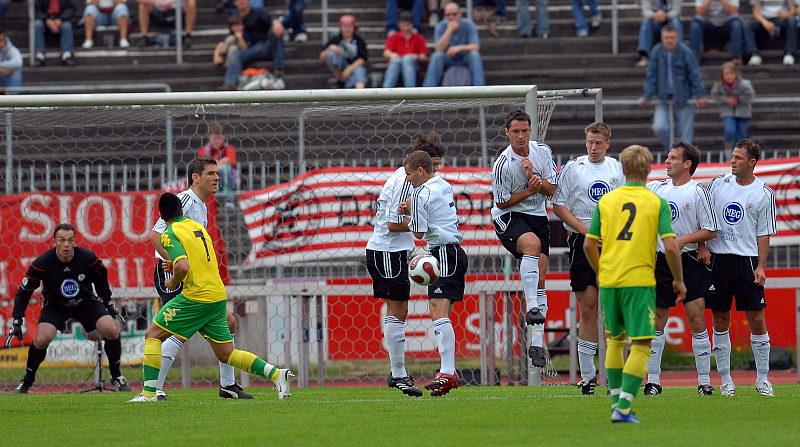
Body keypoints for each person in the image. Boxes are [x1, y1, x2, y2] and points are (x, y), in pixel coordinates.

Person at [130, 193, 294, 402]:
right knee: (226, 353)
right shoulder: (198, 228)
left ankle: (150, 393)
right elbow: (196, 261)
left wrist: (173, 280)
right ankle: (277, 374)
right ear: (181, 210)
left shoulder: (170, 233)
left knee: (152, 334)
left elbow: (183, 265)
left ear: (161, 215)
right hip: (216, 296)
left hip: (195, 296)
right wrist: (178, 266)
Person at [583, 145, 686, 424]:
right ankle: (624, 407)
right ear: (648, 169)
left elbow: (588, 243)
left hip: (610, 280)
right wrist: (678, 279)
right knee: (641, 343)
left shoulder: (606, 202)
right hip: (638, 280)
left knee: (614, 340)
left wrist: (601, 270)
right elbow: (672, 247)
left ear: (623, 169)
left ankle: (617, 402)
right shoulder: (656, 203)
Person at [149, 157, 251, 400]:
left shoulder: (202, 206)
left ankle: (228, 385)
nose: (217, 178)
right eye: (211, 173)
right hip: (175, 273)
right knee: (175, 331)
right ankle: (154, 389)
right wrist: (174, 262)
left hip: (194, 276)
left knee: (228, 323)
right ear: (195, 177)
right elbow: (156, 235)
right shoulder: (184, 200)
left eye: (217, 173)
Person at [366, 132, 445, 398]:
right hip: (386, 250)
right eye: (434, 166)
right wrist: (424, 226)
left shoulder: (417, 181)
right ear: (422, 164)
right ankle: (398, 374)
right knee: (398, 307)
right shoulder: (405, 180)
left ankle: (398, 372)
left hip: (397, 250)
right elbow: (392, 224)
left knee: (400, 308)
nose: (437, 171)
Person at [8, 223, 131, 394]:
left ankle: (117, 376)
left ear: (75, 242)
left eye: (70, 240)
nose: (66, 244)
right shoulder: (42, 263)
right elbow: (24, 292)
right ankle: (27, 382)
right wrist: (17, 318)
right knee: (42, 338)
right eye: (62, 240)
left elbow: (101, 278)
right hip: (55, 305)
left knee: (111, 329)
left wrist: (108, 302)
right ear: (54, 242)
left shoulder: (87, 258)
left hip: (85, 302)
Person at [551, 122, 623, 395]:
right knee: (588, 308)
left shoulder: (617, 168)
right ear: (585, 141)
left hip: (614, 242)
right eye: (589, 142)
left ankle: (614, 375)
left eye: (598, 143)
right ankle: (588, 377)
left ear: (608, 143)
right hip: (583, 242)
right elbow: (559, 205)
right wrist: (587, 231)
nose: (593, 147)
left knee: (613, 309)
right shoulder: (573, 168)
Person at [644, 142, 718, 396]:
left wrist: (689, 240)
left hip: (689, 261)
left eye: (673, 158)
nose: (667, 161)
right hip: (661, 261)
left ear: (687, 164)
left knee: (697, 319)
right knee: (657, 321)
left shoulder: (698, 191)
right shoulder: (656, 189)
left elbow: (711, 228)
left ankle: (704, 381)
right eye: (667, 157)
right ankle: (652, 381)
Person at [706, 139, 776, 397]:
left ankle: (763, 379)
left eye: (737, 158)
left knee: (757, 319)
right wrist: (703, 247)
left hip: (747, 261)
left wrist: (762, 266)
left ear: (752, 162)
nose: (732, 161)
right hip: (719, 260)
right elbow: (706, 218)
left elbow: (764, 233)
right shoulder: (718, 185)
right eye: (732, 156)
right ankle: (725, 380)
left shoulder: (763, 193)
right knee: (720, 318)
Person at [490, 110, 557, 368]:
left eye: (524, 131)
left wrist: (539, 185)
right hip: (508, 216)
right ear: (507, 133)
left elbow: (553, 190)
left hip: (537, 216)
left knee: (540, 276)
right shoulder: (503, 164)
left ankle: (536, 344)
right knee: (532, 245)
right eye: (515, 131)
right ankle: (531, 306)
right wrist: (529, 189)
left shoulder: (543, 152)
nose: (520, 136)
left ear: (530, 131)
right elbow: (502, 201)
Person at [405, 150, 468, 397]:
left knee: (438, 312)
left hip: (443, 253)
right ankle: (446, 371)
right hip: (454, 252)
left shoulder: (420, 192)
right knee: (442, 315)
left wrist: (408, 213)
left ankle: (448, 373)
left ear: (421, 171)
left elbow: (419, 233)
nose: (408, 179)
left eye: (410, 174)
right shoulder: (443, 184)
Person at [639, 25, 708, 151]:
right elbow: (651, 75)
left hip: (684, 98)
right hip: (663, 98)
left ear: (677, 38)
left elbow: (694, 74)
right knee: (658, 127)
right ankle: (672, 151)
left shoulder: (685, 52)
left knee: (685, 134)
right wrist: (647, 95)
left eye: (672, 38)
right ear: (662, 38)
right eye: (666, 38)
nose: (669, 40)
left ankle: (683, 158)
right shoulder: (656, 52)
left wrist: (700, 94)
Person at [218, 0, 285, 91]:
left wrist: (276, 22)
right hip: (248, 49)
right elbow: (229, 38)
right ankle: (230, 83)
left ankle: (279, 70)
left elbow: (271, 19)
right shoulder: (235, 18)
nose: (241, 1)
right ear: (235, 3)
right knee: (235, 53)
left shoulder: (258, 12)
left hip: (265, 46)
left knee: (275, 33)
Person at [422, 2, 485, 87]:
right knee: (437, 56)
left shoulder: (469, 24)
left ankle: (479, 89)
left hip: (465, 58)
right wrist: (449, 30)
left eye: (454, 14)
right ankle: (427, 89)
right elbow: (438, 49)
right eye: (448, 15)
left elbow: (476, 47)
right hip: (448, 59)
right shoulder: (440, 26)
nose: (451, 17)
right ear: (444, 15)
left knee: (475, 55)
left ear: (460, 14)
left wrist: (459, 48)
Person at [709, 62, 755, 150]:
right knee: (729, 130)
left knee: (741, 136)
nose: (729, 76)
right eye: (726, 74)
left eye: (731, 73)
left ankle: (739, 154)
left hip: (743, 112)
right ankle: (728, 151)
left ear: (736, 74)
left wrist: (738, 99)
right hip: (727, 112)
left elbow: (750, 95)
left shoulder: (744, 84)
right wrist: (726, 99)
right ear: (722, 75)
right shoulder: (719, 84)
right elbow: (714, 95)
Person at [382, 11, 428, 88]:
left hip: (413, 65)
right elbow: (386, 53)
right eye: (404, 25)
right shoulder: (393, 37)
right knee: (396, 60)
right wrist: (393, 54)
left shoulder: (419, 38)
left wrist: (415, 56)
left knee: (407, 59)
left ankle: (410, 90)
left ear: (412, 25)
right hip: (397, 64)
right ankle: (386, 90)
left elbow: (423, 57)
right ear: (399, 25)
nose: (406, 28)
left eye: (408, 25)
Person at [745, 0, 797, 66]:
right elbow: (756, 12)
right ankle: (754, 54)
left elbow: (793, 10)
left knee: (792, 21)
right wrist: (764, 21)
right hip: (764, 18)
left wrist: (786, 14)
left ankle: (789, 53)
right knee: (748, 25)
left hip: (781, 18)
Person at [197, 122, 239, 200]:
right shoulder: (203, 151)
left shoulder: (229, 148)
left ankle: (229, 200)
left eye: (219, 138)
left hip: (227, 180)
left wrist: (215, 164)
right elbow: (201, 164)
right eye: (215, 138)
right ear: (209, 137)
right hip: (210, 179)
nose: (217, 141)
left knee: (226, 169)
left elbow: (231, 161)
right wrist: (220, 163)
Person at [635, 0, 683, 67]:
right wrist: (655, 15)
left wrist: (666, 15)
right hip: (654, 21)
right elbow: (645, 11)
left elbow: (677, 10)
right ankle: (644, 56)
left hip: (670, 20)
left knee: (676, 22)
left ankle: (678, 55)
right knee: (646, 22)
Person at [33, 0, 76, 66]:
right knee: (37, 25)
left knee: (67, 26)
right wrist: (46, 20)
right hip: (45, 20)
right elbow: (36, 8)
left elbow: (71, 8)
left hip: (61, 19)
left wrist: (61, 19)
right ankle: (39, 55)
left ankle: (66, 55)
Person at [0, 30, 22, 95]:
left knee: (16, 71)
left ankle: (12, 98)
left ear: (5, 39)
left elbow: (18, 62)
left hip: (6, 79)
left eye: (1, 40)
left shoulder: (11, 49)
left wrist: (2, 67)